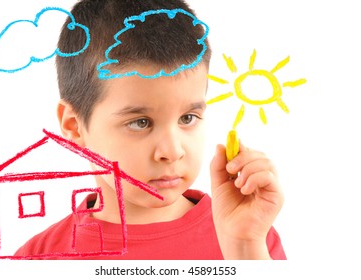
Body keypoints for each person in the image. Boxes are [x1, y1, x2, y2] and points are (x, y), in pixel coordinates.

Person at [15, 0, 286, 260]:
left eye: (188, 118)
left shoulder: (251, 236)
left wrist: (245, 248)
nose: (172, 151)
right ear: (74, 126)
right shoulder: (38, 260)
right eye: (140, 122)